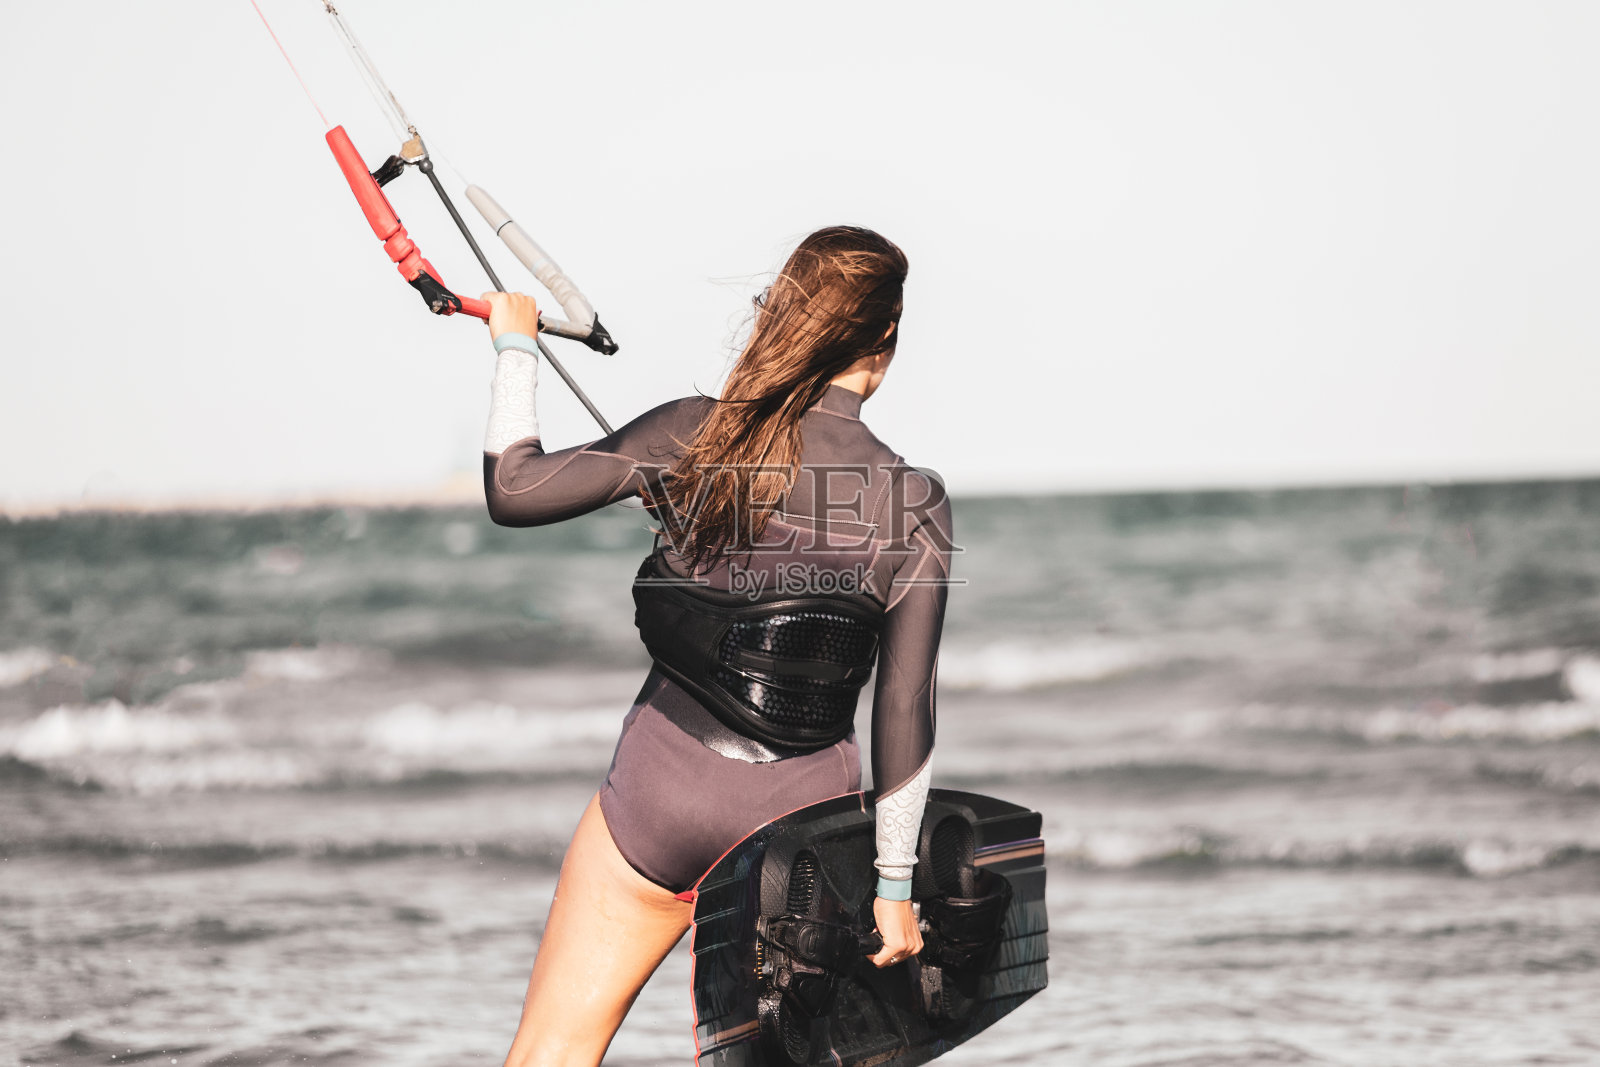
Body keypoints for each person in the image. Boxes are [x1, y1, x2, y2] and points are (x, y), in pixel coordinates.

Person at [481, 226, 953, 1067]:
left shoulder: (694, 433)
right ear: (885, 339)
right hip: (793, 837)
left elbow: (514, 489)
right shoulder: (913, 503)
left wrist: (516, 344)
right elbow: (903, 705)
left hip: (656, 800)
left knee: (551, 1050)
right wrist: (893, 883)